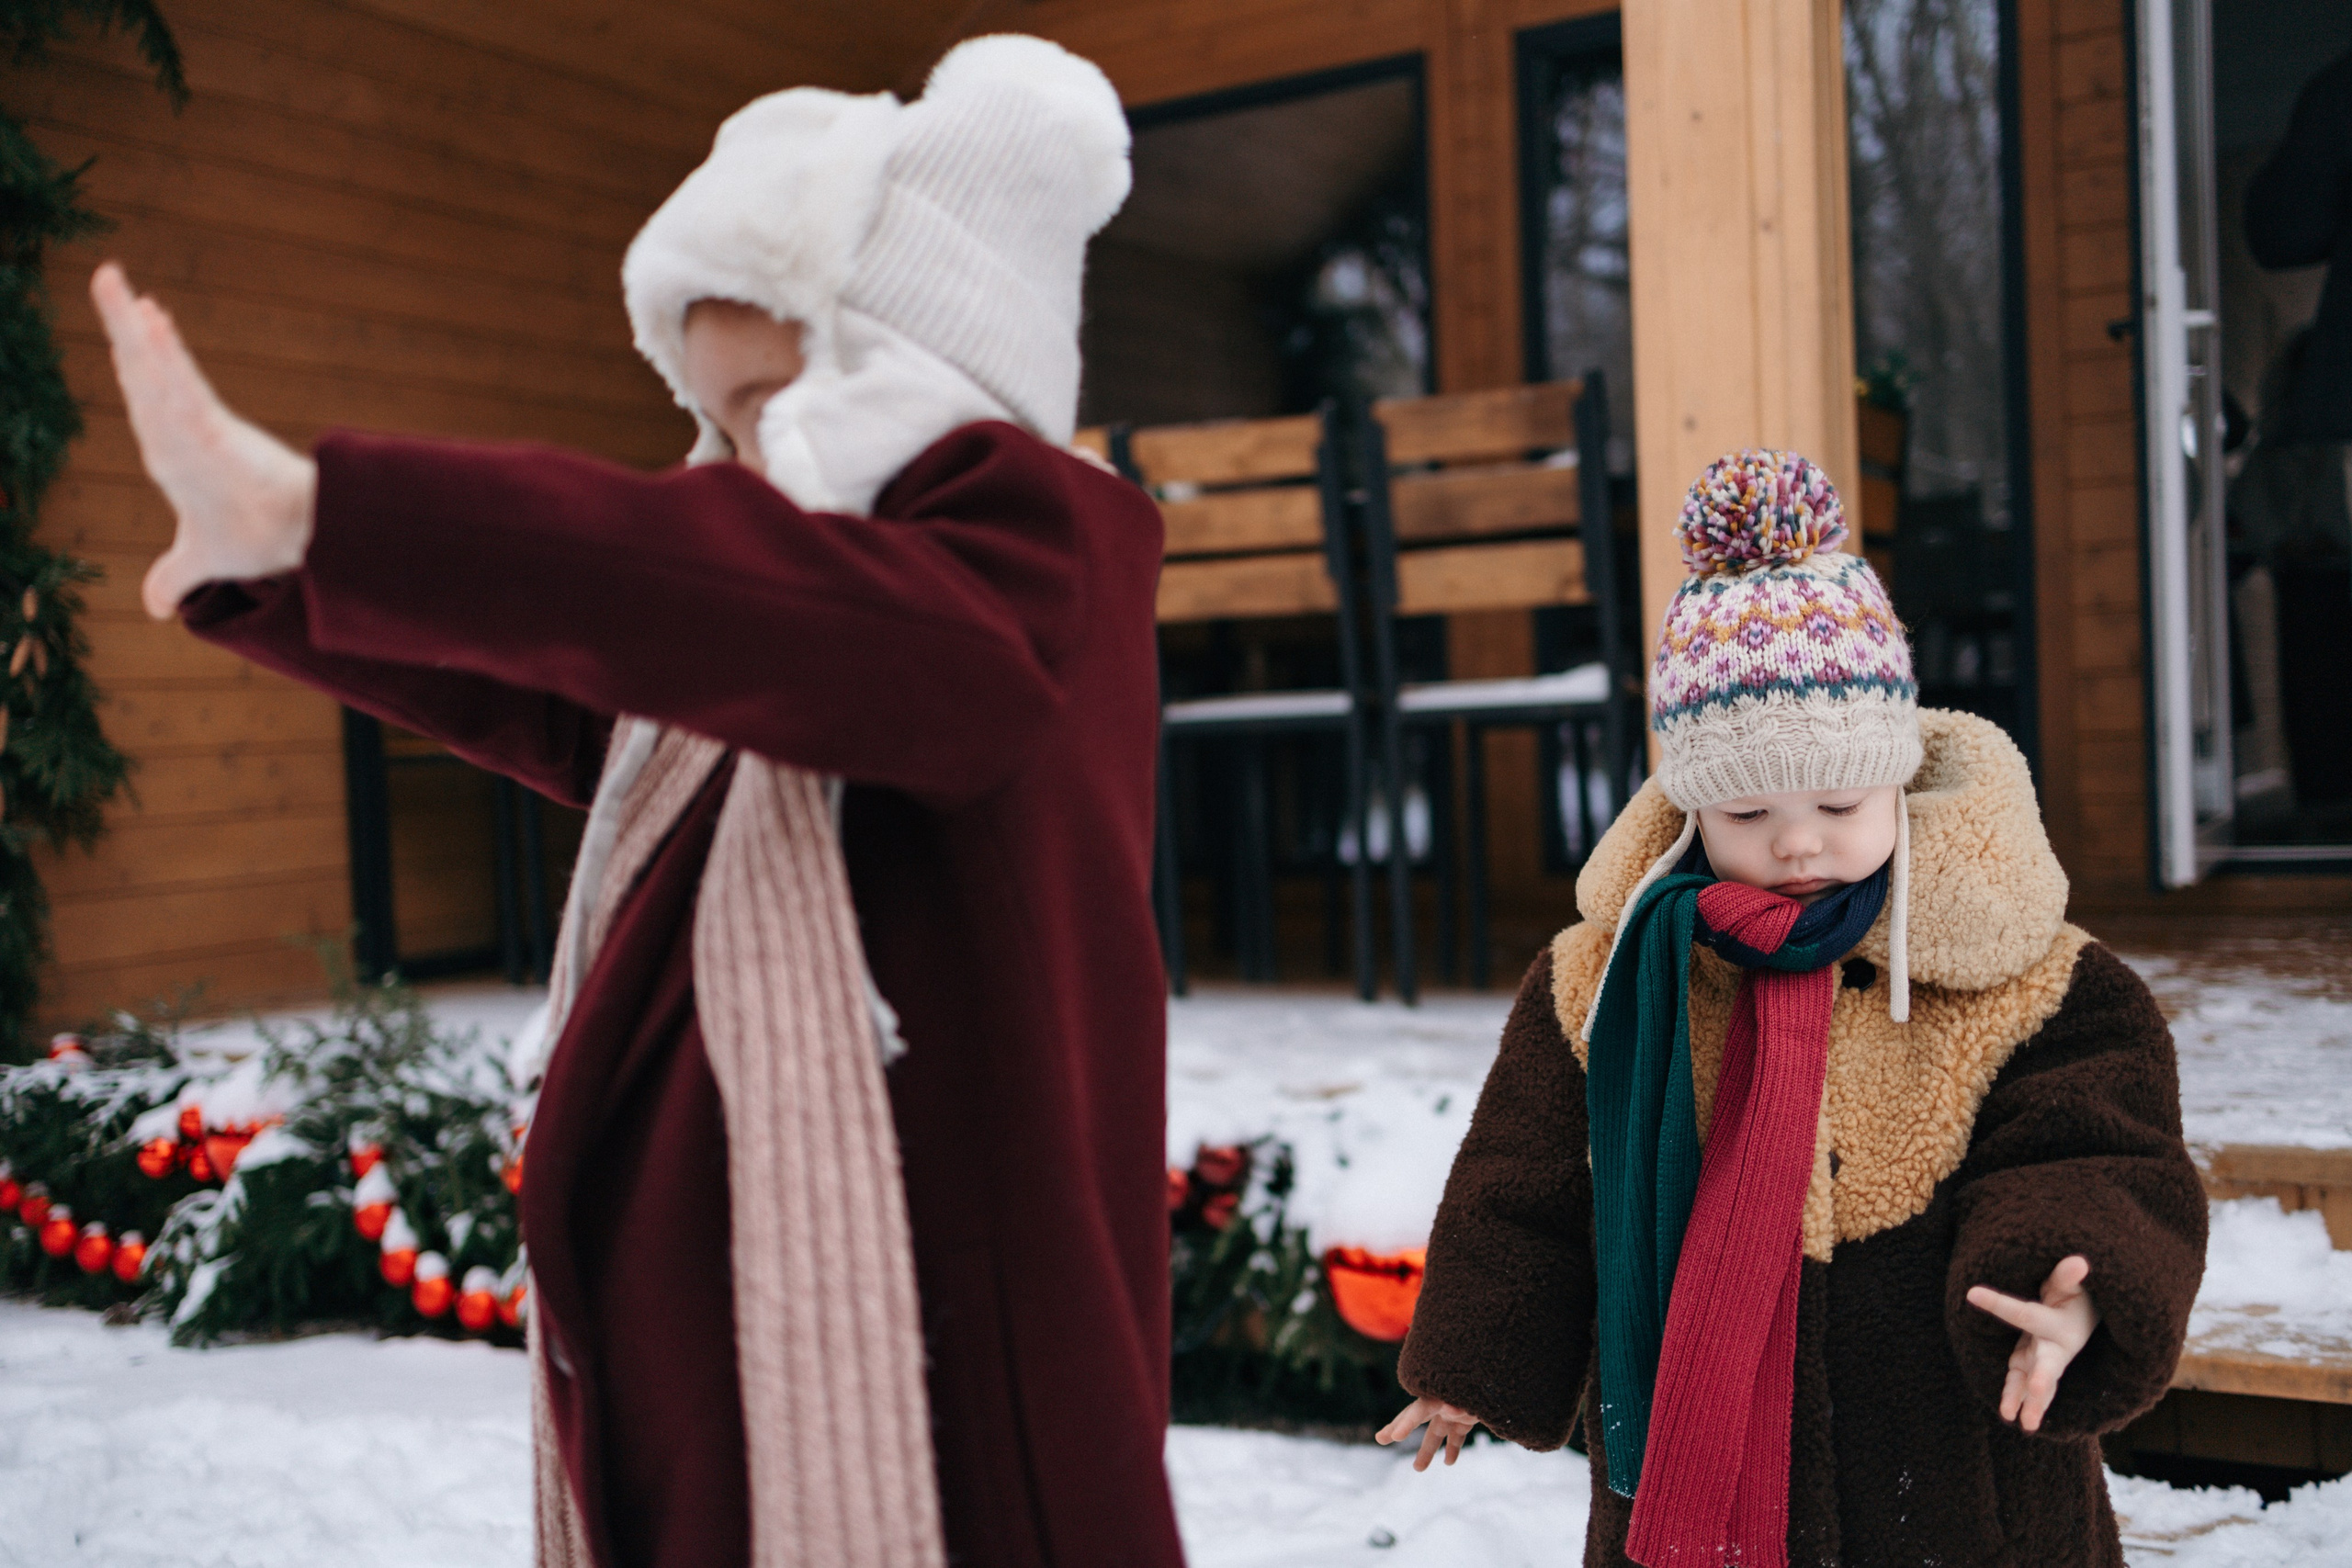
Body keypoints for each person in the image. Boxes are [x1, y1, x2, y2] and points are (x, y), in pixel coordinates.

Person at [93, 35, 1185, 1568]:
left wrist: (337, 510)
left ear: (928, 375)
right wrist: (279, 576)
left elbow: (791, 618)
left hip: (942, 1442)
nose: (735, 470)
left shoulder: (1019, 573)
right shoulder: (789, 648)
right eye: (714, 422)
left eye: (779, 407)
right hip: (719, 1411)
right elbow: (587, 699)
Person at [1375, 451, 2207, 1567]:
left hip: (1955, 1459)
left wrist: (2073, 1285)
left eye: (1837, 799)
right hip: (1697, 1437)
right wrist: (1470, 1366)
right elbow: (1524, 1182)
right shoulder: (1614, 980)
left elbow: (2094, 1148)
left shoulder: (2021, 971)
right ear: (1690, 807)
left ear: (1898, 779)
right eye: (1748, 809)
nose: (1797, 840)